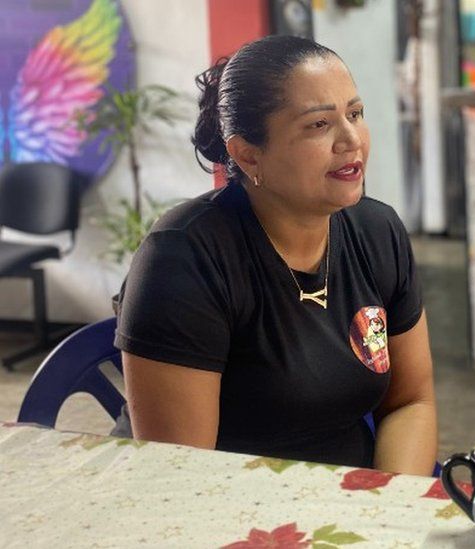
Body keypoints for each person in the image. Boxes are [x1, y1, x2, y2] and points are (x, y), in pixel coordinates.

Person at [113, 35, 437, 475]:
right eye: (319, 125)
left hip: (352, 499)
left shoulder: (378, 232)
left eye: (355, 114)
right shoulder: (184, 257)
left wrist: (386, 505)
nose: (351, 140)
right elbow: (179, 474)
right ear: (248, 154)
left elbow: (409, 402)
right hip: (222, 506)